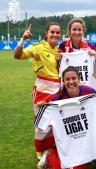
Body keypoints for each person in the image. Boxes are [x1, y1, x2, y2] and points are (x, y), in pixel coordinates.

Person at [43, 66, 96, 169]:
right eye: (67, 79)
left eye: (74, 78)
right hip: (71, 136)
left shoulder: (90, 92)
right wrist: (44, 108)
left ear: (79, 80)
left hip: (90, 129)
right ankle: (50, 156)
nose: (71, 82)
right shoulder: (56, 99)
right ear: (63, 81)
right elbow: (45, 123)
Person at [14, 22, 62, 160]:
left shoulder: (61, 50)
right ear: (46, 34)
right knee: (42, 124)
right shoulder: (38, 48)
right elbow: (17, 55)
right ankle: (40, 154)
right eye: (52, 32)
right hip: (42, 90)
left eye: (57, 32)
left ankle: (53, 150)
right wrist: (23, 39)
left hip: (58, 91)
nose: (55, 35)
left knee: (57, 122)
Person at [58, 18, 96, 92]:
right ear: (69, 31)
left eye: (79, 30)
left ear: (83, 31)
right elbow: (58, 69)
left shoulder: (90, 47)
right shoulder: (63, 46)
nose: (77, 32)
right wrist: (58, 59)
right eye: (74, 29)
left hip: (87, 87)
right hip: (69, 88)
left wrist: (94, 56)